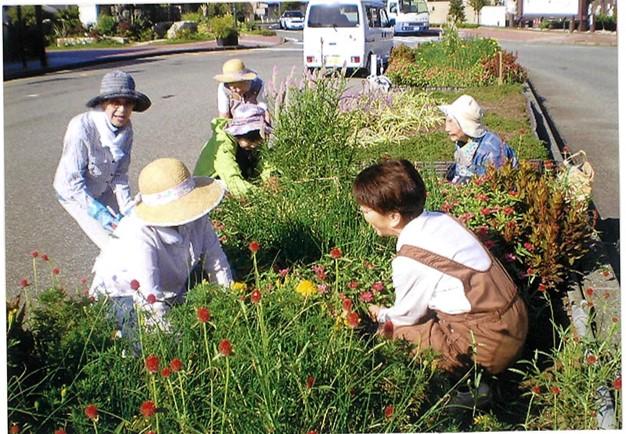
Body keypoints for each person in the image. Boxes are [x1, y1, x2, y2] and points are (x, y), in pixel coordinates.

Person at [352, 159, 527, 377]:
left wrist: (380, 316)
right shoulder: (441, 219)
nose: (365, 216)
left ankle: (468, 389)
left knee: (388, 334)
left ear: (393, 217)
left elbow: (406, 317)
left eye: (367, 211)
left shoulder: (411, 257)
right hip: (514, 323)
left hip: (485, 347)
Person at [90, 158, 233, 334]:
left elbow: (216, 261)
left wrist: (229, 304)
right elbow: (149, 296)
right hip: (123, 294)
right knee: (140, 341)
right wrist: (171, 340)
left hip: (171, 282)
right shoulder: (140, 233)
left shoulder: (198, 215)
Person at [53, 70, 151, 250]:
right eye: (115, 102)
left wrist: (126, 206)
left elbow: (120, 174)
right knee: (111, 245)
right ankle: (111, 276)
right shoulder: (81, 127)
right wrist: (98, 213)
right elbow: (73, 182)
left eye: (128, 103)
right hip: (75, 193)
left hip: (102, 186)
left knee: (130, 229)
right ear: (104, 103)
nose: (122, 110)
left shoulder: (126, 130)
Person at [193, 103, 274, 197]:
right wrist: (260, 195)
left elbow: (263, 161)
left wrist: (270, 176)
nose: (254, 145)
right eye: (251, 140)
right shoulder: (223, 143)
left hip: (234, 174)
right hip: (209, 183)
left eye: (258, 141)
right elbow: (230, 176)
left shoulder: (249, 144)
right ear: (239, 134)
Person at [439, 94, 517, 184]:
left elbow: (493, 186)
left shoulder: (491, 152)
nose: (447, 128)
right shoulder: (463, 141)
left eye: (451, 122)